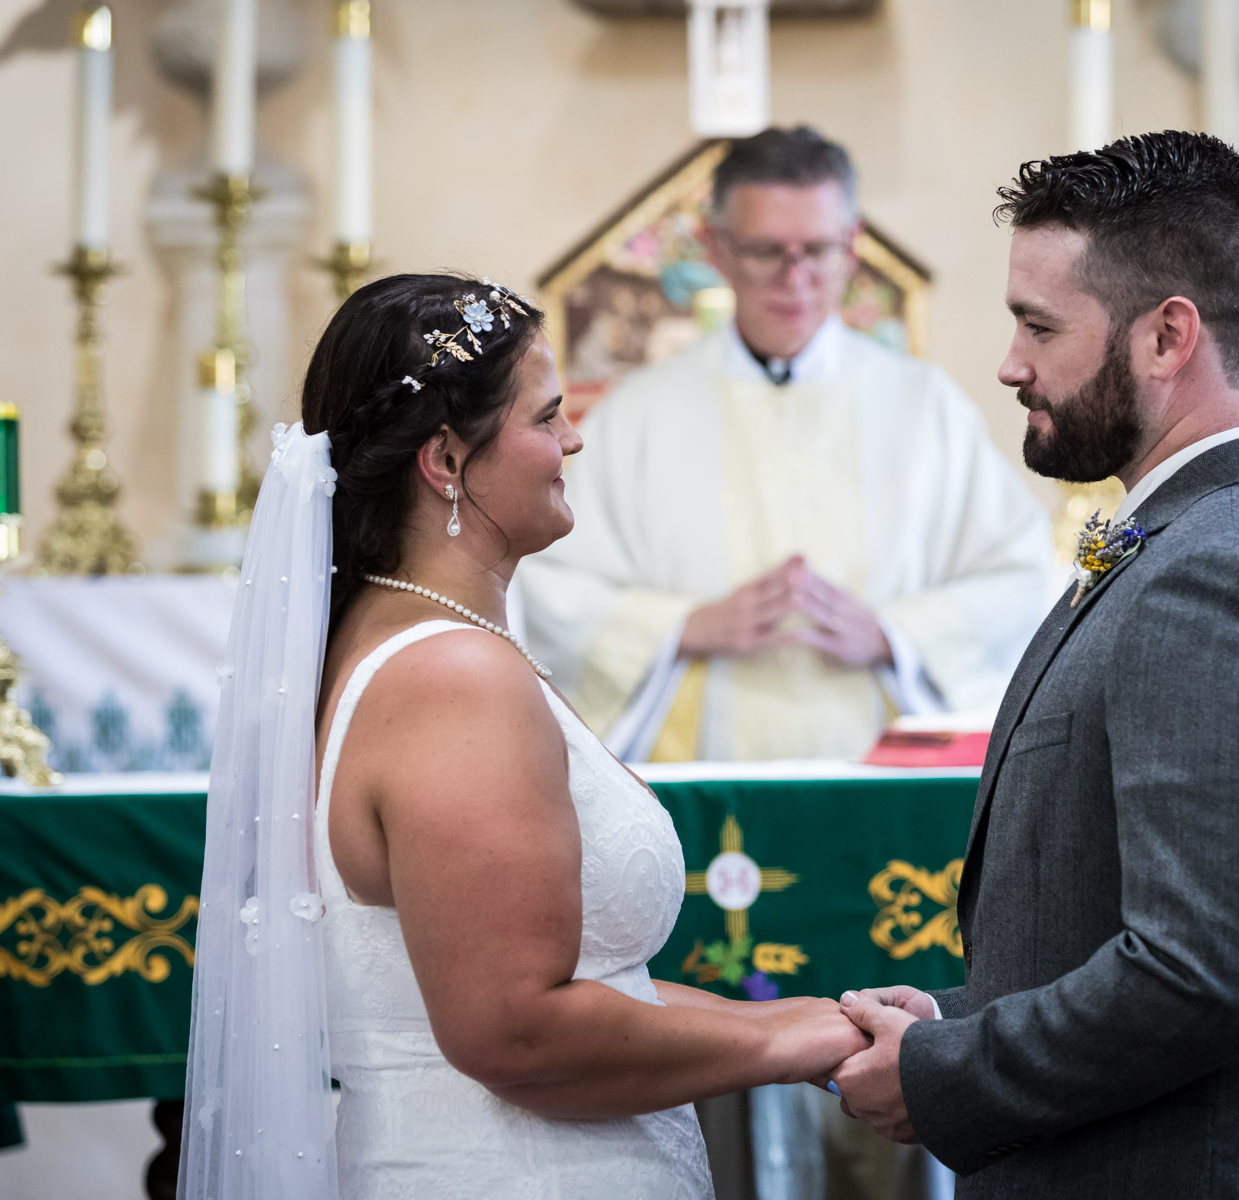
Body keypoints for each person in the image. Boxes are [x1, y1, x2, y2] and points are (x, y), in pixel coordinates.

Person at [176, 273, 868, 1200]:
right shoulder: (450, 679)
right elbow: (516, 1032)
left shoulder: (401, 644)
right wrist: (781, 1045)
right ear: (447, 463)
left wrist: (814, 1018)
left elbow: (592, 983)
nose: (575, 439)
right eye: (548, 418)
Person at [829, 132, 1239, 1198]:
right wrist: (962, 1019)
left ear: (1166, 337)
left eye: (1038, 325)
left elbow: (1208, 977)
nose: (1010, 362)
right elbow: (1131, 929)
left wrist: (947, 1076)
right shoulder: (1210, 536)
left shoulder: (1219, 573)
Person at [515, 127, 1051, 765]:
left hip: (887, 781)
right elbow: (548, 582)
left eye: (818, 249)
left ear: (851, 248)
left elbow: (1021, 578)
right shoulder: (638, 416)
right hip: (701, 783)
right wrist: (685, 627)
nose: (794, 277)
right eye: (766, 250)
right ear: (716, 249)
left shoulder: (924, 408)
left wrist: (891, 634)